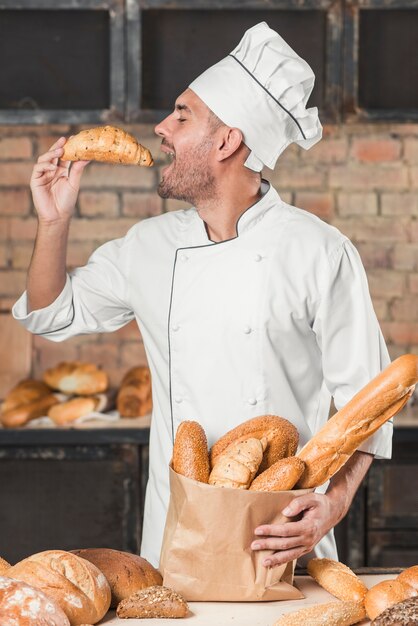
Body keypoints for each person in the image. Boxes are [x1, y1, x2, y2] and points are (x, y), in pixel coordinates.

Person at [13, 22, 392, 570]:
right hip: (174, 545)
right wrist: (53, 220)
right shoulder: (150, 244)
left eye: (182, 114)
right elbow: (51, 313)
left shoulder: (319, 251)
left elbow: (370, 405)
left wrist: (330, 507)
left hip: (282, 542)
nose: (162, 128)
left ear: (228, 141)